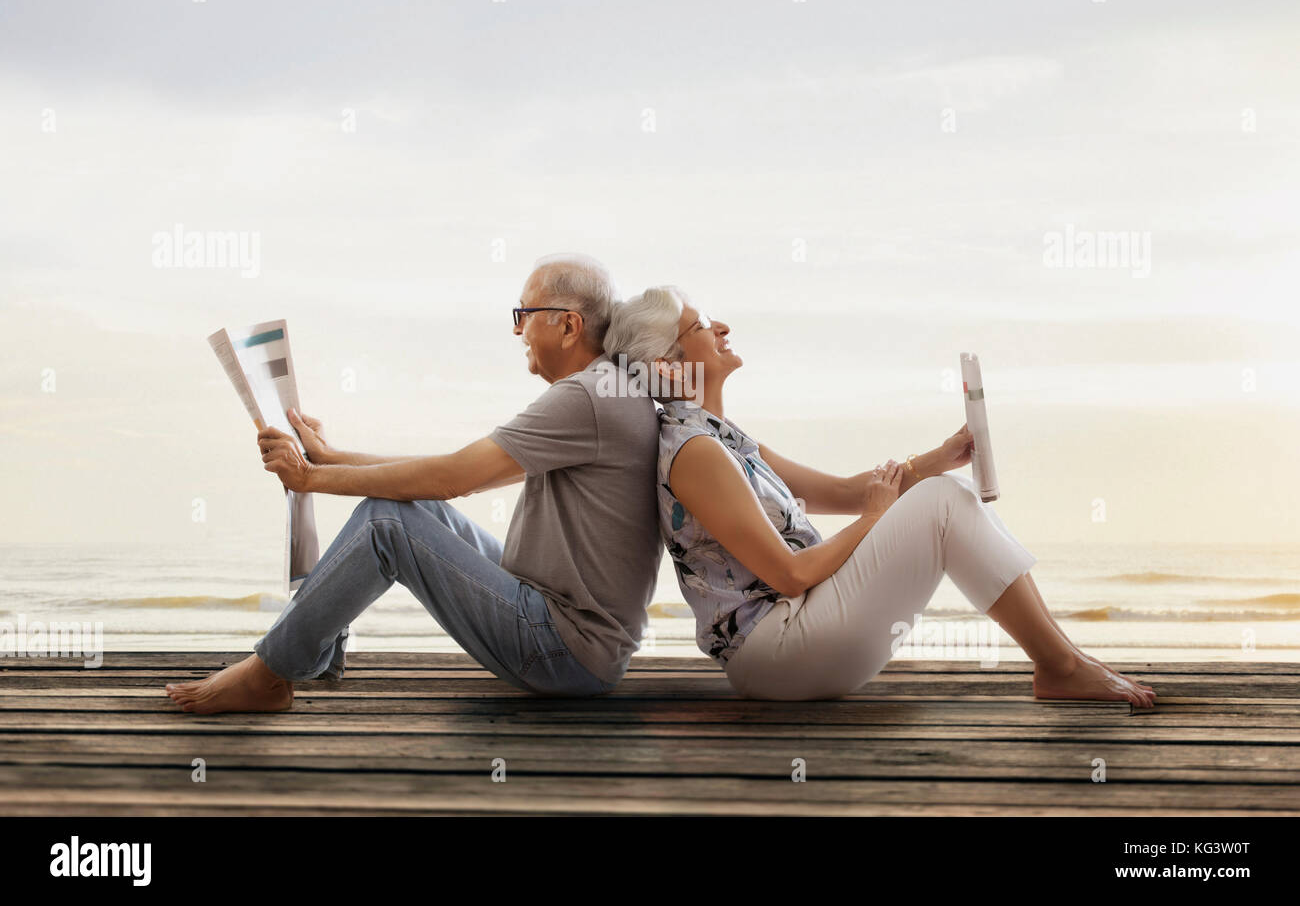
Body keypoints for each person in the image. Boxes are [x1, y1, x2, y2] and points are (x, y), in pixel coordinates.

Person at [601, 285, 1157, 704]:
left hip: (802, 636)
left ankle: (1064, 662)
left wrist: (933, 459)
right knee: (944, 501)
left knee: (944, 489)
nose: (721, 325)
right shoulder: (694, 451)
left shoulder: (721, 438)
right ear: (671, 368)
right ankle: (1058, 667)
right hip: (777, 655)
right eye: (700, 325)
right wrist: (874, 519)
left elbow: (842, 492)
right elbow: (789, 575)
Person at [165, 254, 663, 713]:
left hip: (562, 652)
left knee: (387, 524)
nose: (518, 331)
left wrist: (311, 477)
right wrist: (331, 458)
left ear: (569, 324)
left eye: (524, 314)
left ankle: (268, 675)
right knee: (410, 509)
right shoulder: (606, 390)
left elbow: (451, 478)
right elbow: (450, 472)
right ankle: (305, 655)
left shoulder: (589, 396)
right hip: (570, 638)